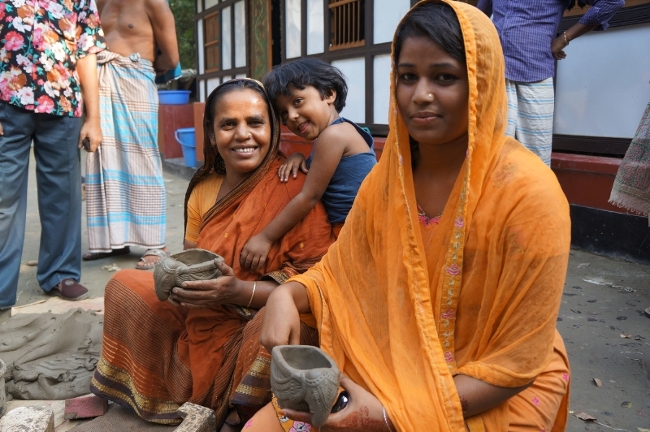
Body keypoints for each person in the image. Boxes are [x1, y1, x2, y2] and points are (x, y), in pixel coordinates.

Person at [250, 1, 572, 430]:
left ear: (483, 82)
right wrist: (284, 295)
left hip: (486, 388)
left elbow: (516, 363)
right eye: (407, 77)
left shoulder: (529, 194)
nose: (420, 94)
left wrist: (389, 416)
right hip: (388, 363)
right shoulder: (386, 182)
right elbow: (339, 274)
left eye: (444, 77)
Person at [90, 79, 336, 429]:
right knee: (124, 284)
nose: (243, 135)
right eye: (228, 124)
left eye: (255, 122)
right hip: (203, 314)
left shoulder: (296, 188)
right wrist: (179, 282)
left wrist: (239, 291)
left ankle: (239, 408)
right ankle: (179, 389)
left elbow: (319, 282)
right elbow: (194, 259)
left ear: (273, 128)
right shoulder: (203, 189)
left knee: (283, 331)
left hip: (257, 318)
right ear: (210, 131)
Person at [0, 0, 107, 309]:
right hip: (8, 103)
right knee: (4, 199)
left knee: (63, 196)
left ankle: (60, 274)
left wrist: (94, 118)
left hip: (63, 106)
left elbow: (86, 53)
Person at [239, 58, 376, 272]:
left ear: (329, 94)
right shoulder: (345, 131)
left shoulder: (333, 135)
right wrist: (299, 158)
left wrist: (265, 237)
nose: (291, 116)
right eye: (283, 113)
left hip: (355, 237)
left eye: (297, 101)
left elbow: (308, 197)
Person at [82, 0, 180, 270]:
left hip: (136, 79)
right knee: (102, 160)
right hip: (100, 82)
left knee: (143, 161)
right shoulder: (97, 3)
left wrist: (139, 65)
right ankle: (113, 241)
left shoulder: (154, 3)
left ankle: (156, 243)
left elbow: (171, 58)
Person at [476, 0, 624, 166]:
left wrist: (564, 38)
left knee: (535, 160)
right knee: (491, 155)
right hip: (494, 73)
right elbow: (477, 16)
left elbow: (612, 2)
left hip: (535, 76)